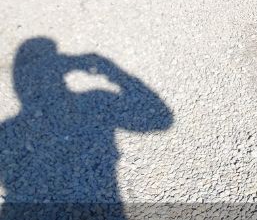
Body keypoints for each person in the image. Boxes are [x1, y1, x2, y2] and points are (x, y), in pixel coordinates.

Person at [0, 38, 173, 219]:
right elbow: (161, 119)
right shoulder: (93, 100)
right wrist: (112, 71)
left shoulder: (7, 129)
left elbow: (161, 121)